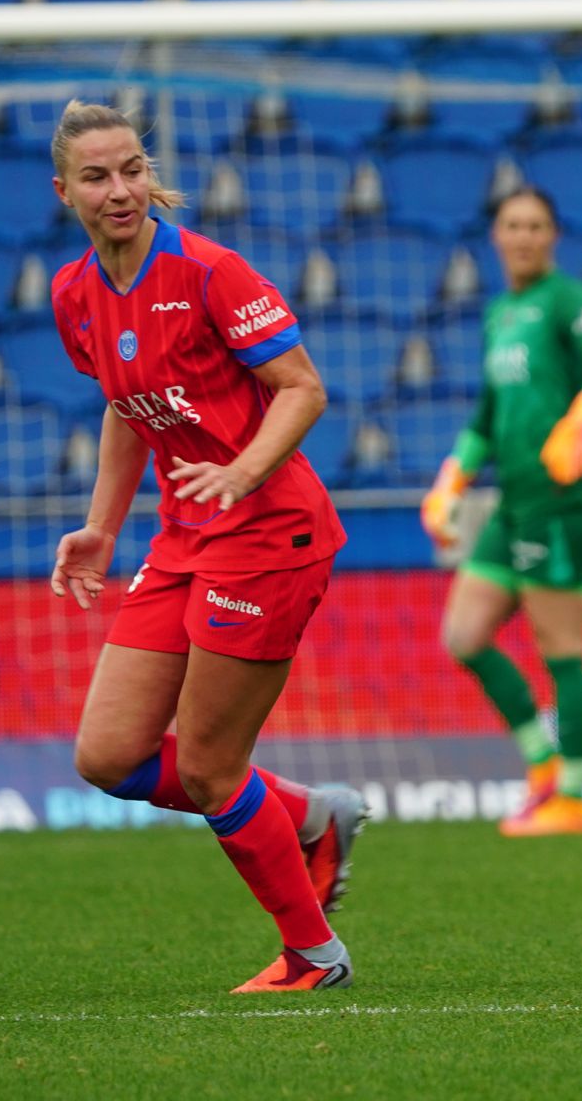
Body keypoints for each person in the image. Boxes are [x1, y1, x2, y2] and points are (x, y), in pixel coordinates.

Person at [46, 99, 363, 994]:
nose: (120, 190)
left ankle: (314, 955)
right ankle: (310, 815)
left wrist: (243, 470)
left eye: (133, 170)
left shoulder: (210, 271)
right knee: (108, 756)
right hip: (185, 536)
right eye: (98, 177)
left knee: (212, 767)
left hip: (269, 533)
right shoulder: (74, 294)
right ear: (64, 191)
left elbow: (302, 388)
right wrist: (102, 526)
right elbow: (126, 405)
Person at [419, 186, 582, 837]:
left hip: (563, 503)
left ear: (553, 236)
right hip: (513, 504)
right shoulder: (500, 313)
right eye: (513, 224)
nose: (524, 236)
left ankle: (573, 796)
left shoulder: (568, 299)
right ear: (496, 236)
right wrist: (451, 481)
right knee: (464, 635)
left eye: (536, 225)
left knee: (561, 650)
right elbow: (488, 414)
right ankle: (542, 763)